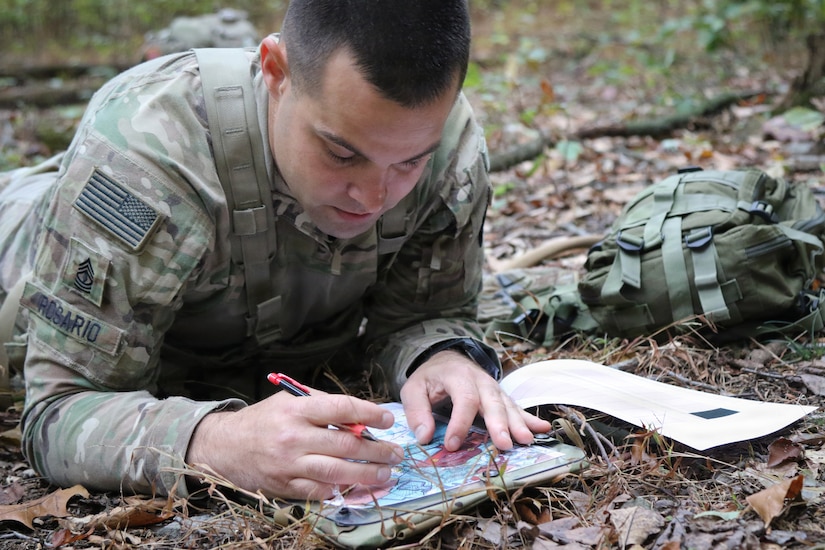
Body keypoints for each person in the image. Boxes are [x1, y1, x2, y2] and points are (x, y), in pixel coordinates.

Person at [0, 0, 551, 501]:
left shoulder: (448, 147)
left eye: (409, 162)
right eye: (341, 154)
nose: (376, 197)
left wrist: (438, 356)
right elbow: (57, 410)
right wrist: (213, 443)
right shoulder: (145, 159)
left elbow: (424, 315)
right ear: (276, 73)